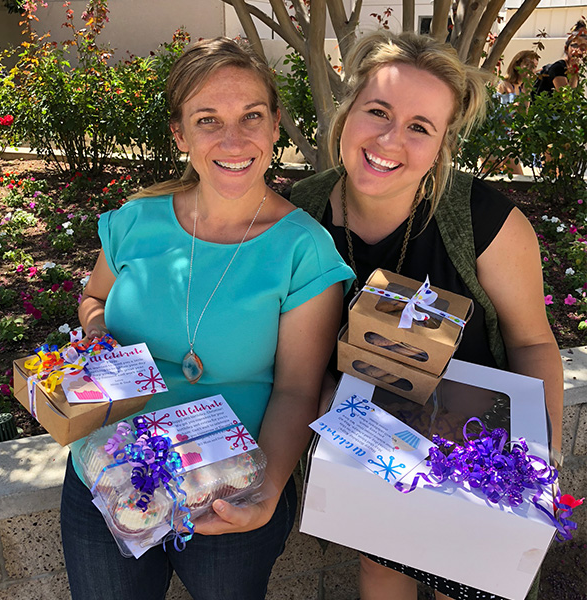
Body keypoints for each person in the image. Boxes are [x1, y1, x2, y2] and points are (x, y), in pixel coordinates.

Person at [61, 37, 353, 600]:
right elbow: (93, 300)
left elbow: (297, 389)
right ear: (181, 135)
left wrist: (267, 493)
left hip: (230, 487)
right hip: (109, 472)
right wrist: (99, 345)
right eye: (207, 120)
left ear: (274, 128)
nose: (233, 139)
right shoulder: (133, 223)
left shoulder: (303, 250)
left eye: (252, 117)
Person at [290, 30, 563, 600]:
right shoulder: (299, 214)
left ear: (440, 144)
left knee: (465, 581)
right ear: (347, 113)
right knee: (381, 567)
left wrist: (539, 469)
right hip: (367, 447)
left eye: (420, 127)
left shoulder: (485, 222)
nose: (391, 139)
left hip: (475, 448)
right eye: (378, 111)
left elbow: (533, 345)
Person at [534, 20, 587, 95]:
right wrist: (574, 73)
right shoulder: (558, 68)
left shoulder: (573, 71)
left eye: (582, 47)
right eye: (574, 46)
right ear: (566, 48)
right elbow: (567, 98)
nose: (577, 50)